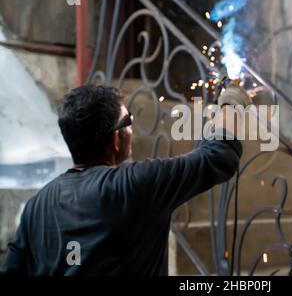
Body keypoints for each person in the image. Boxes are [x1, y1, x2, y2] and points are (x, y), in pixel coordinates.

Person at [0, 83, 252, 276]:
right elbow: (219, 156)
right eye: (128, 121)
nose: (131, 127)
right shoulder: (134, 186)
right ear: (115, 138)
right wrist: (231, 104)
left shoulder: (36, 206)